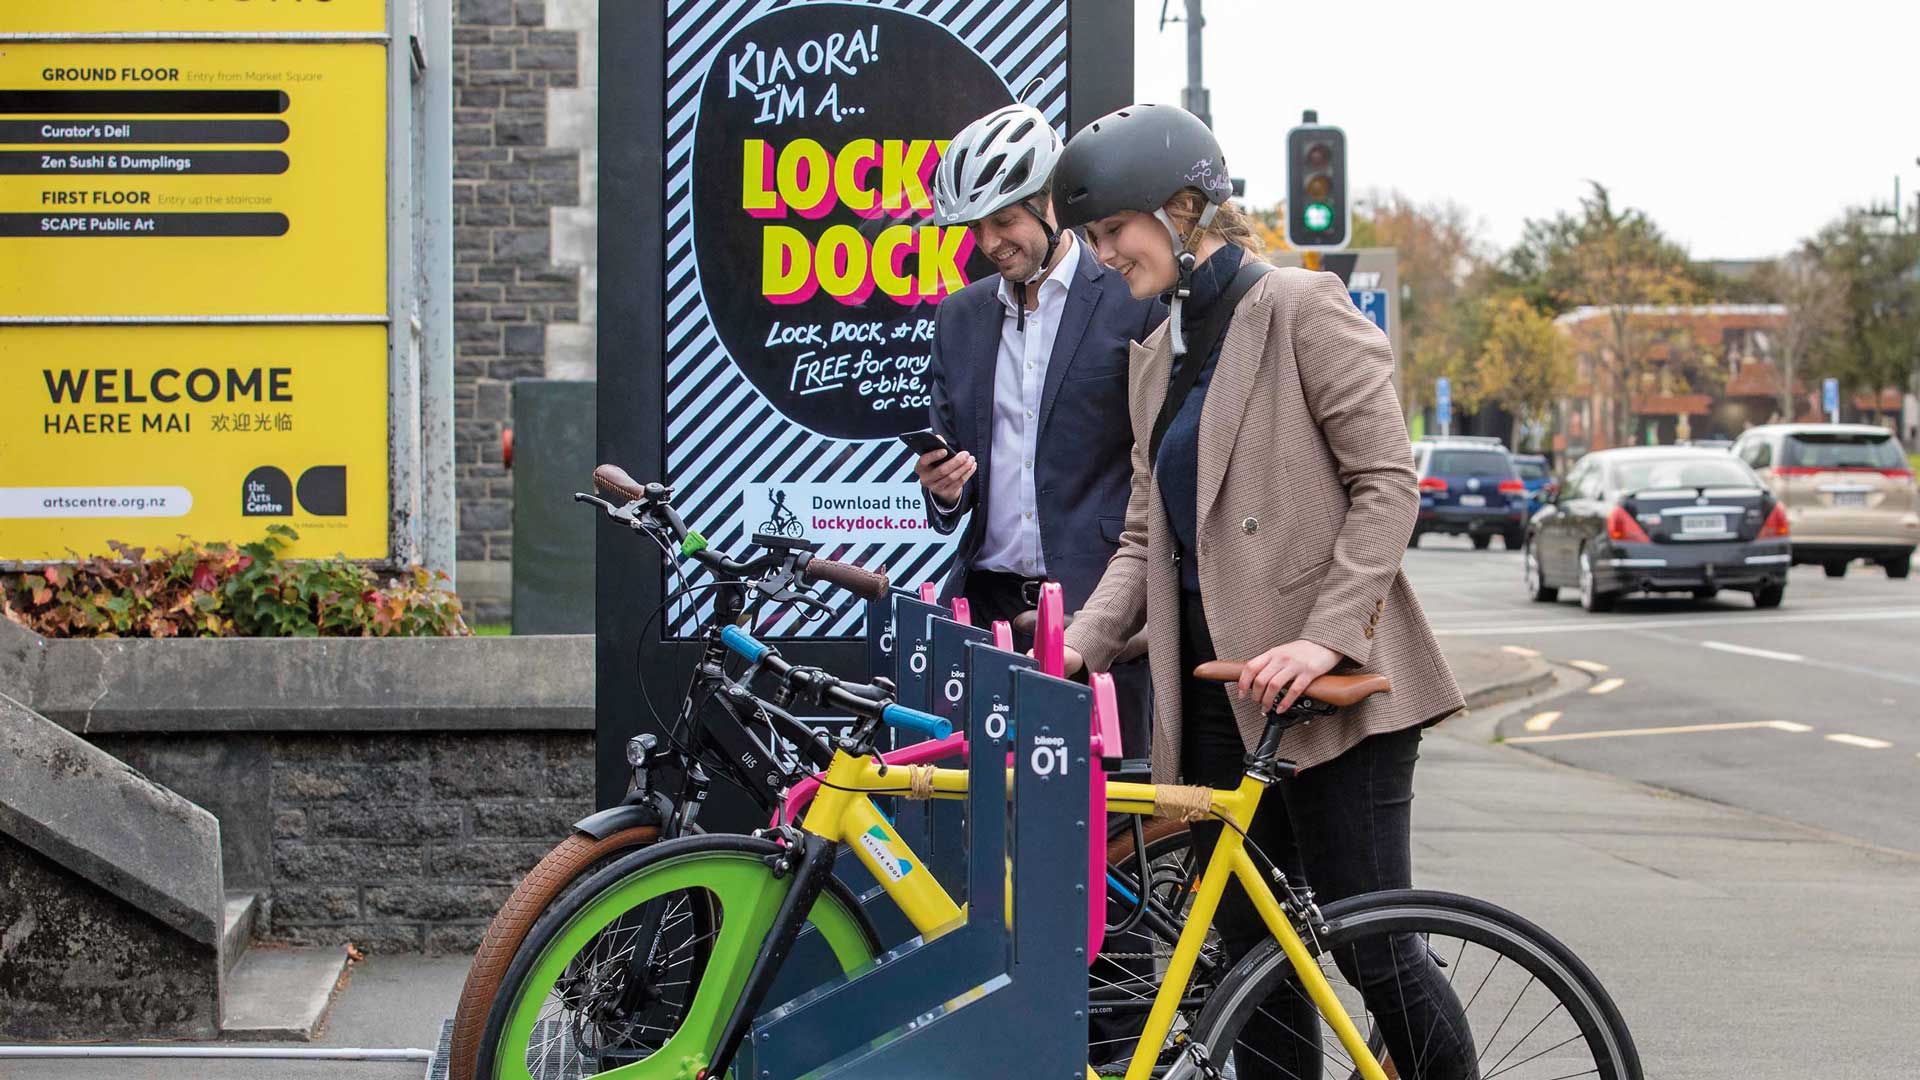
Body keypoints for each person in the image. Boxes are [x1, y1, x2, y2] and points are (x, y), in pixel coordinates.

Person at [1052, 103, 1476, 1079]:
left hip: (1326, 693)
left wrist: (1324, 640)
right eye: (1094, 239)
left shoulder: (1299, 306)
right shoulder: (1155, 352)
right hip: (1214, 693)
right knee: (1246, 961)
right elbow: (1143, 535)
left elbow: (1386, 485)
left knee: (1375, 948)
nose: (1105, 254)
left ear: (1186, 209)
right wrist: (1080, 641)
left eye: (1113, 231)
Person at [915, 102, 1160, 754]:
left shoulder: (1131, 299)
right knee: (985, 816)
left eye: (1005, 221)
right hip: (987, 612)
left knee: (1108, 830)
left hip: (1098, 611)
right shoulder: (959, 319)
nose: (989, 242)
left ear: (1050, 202)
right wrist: (944, 489)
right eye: (976, 228)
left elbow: (1164, 461)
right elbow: (955, 475)